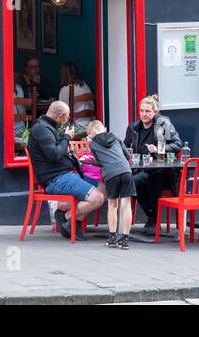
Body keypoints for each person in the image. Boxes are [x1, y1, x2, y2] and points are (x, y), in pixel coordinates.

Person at [26, 100, 105, 240]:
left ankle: (65, 214)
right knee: (97, 198)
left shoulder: (49, 127)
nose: (66, 121)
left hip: (67, 174)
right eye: (67, 118)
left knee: (104, 188)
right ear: (60, 116)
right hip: (55, 179)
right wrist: (67, 137)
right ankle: (69, 220)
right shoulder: (42, 129)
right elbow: (54, 154)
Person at [124, 95, 183, 230]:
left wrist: (158, 149)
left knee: (152, 180)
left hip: (162, 169)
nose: (144, 114)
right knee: (133, 181)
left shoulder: (162, 125)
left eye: (148, 111)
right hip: (142, 169)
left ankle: (154, 219)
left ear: (155, 112)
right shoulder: (134, 128)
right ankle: (152, 216)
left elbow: (177, 144)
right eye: (141, 111)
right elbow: (125, 146)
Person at [85, 119, 134, 249]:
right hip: (126, 171)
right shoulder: (115, 136)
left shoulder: (93, 144)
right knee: (126, 205)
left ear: (91, 135)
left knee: (113, 205)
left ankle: (112, 238)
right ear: (104, 129)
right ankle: (125, 240)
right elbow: (127, 154)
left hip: (111, 174)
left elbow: (99, 162)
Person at [58, 61, 96, 133]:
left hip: (76, 128)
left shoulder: (64, 90)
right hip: (90, 126)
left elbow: (62, 112)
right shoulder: (85, 86)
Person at [14, 56, 41, 144]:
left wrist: (37, 83)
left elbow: (46, 94)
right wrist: (33, 84)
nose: (35, 69)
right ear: (26, 68)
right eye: (32, 67)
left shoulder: (39, 78)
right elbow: (24, 105)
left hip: (28, 117)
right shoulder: (19, 83)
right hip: (22, 124)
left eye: (37, 67)